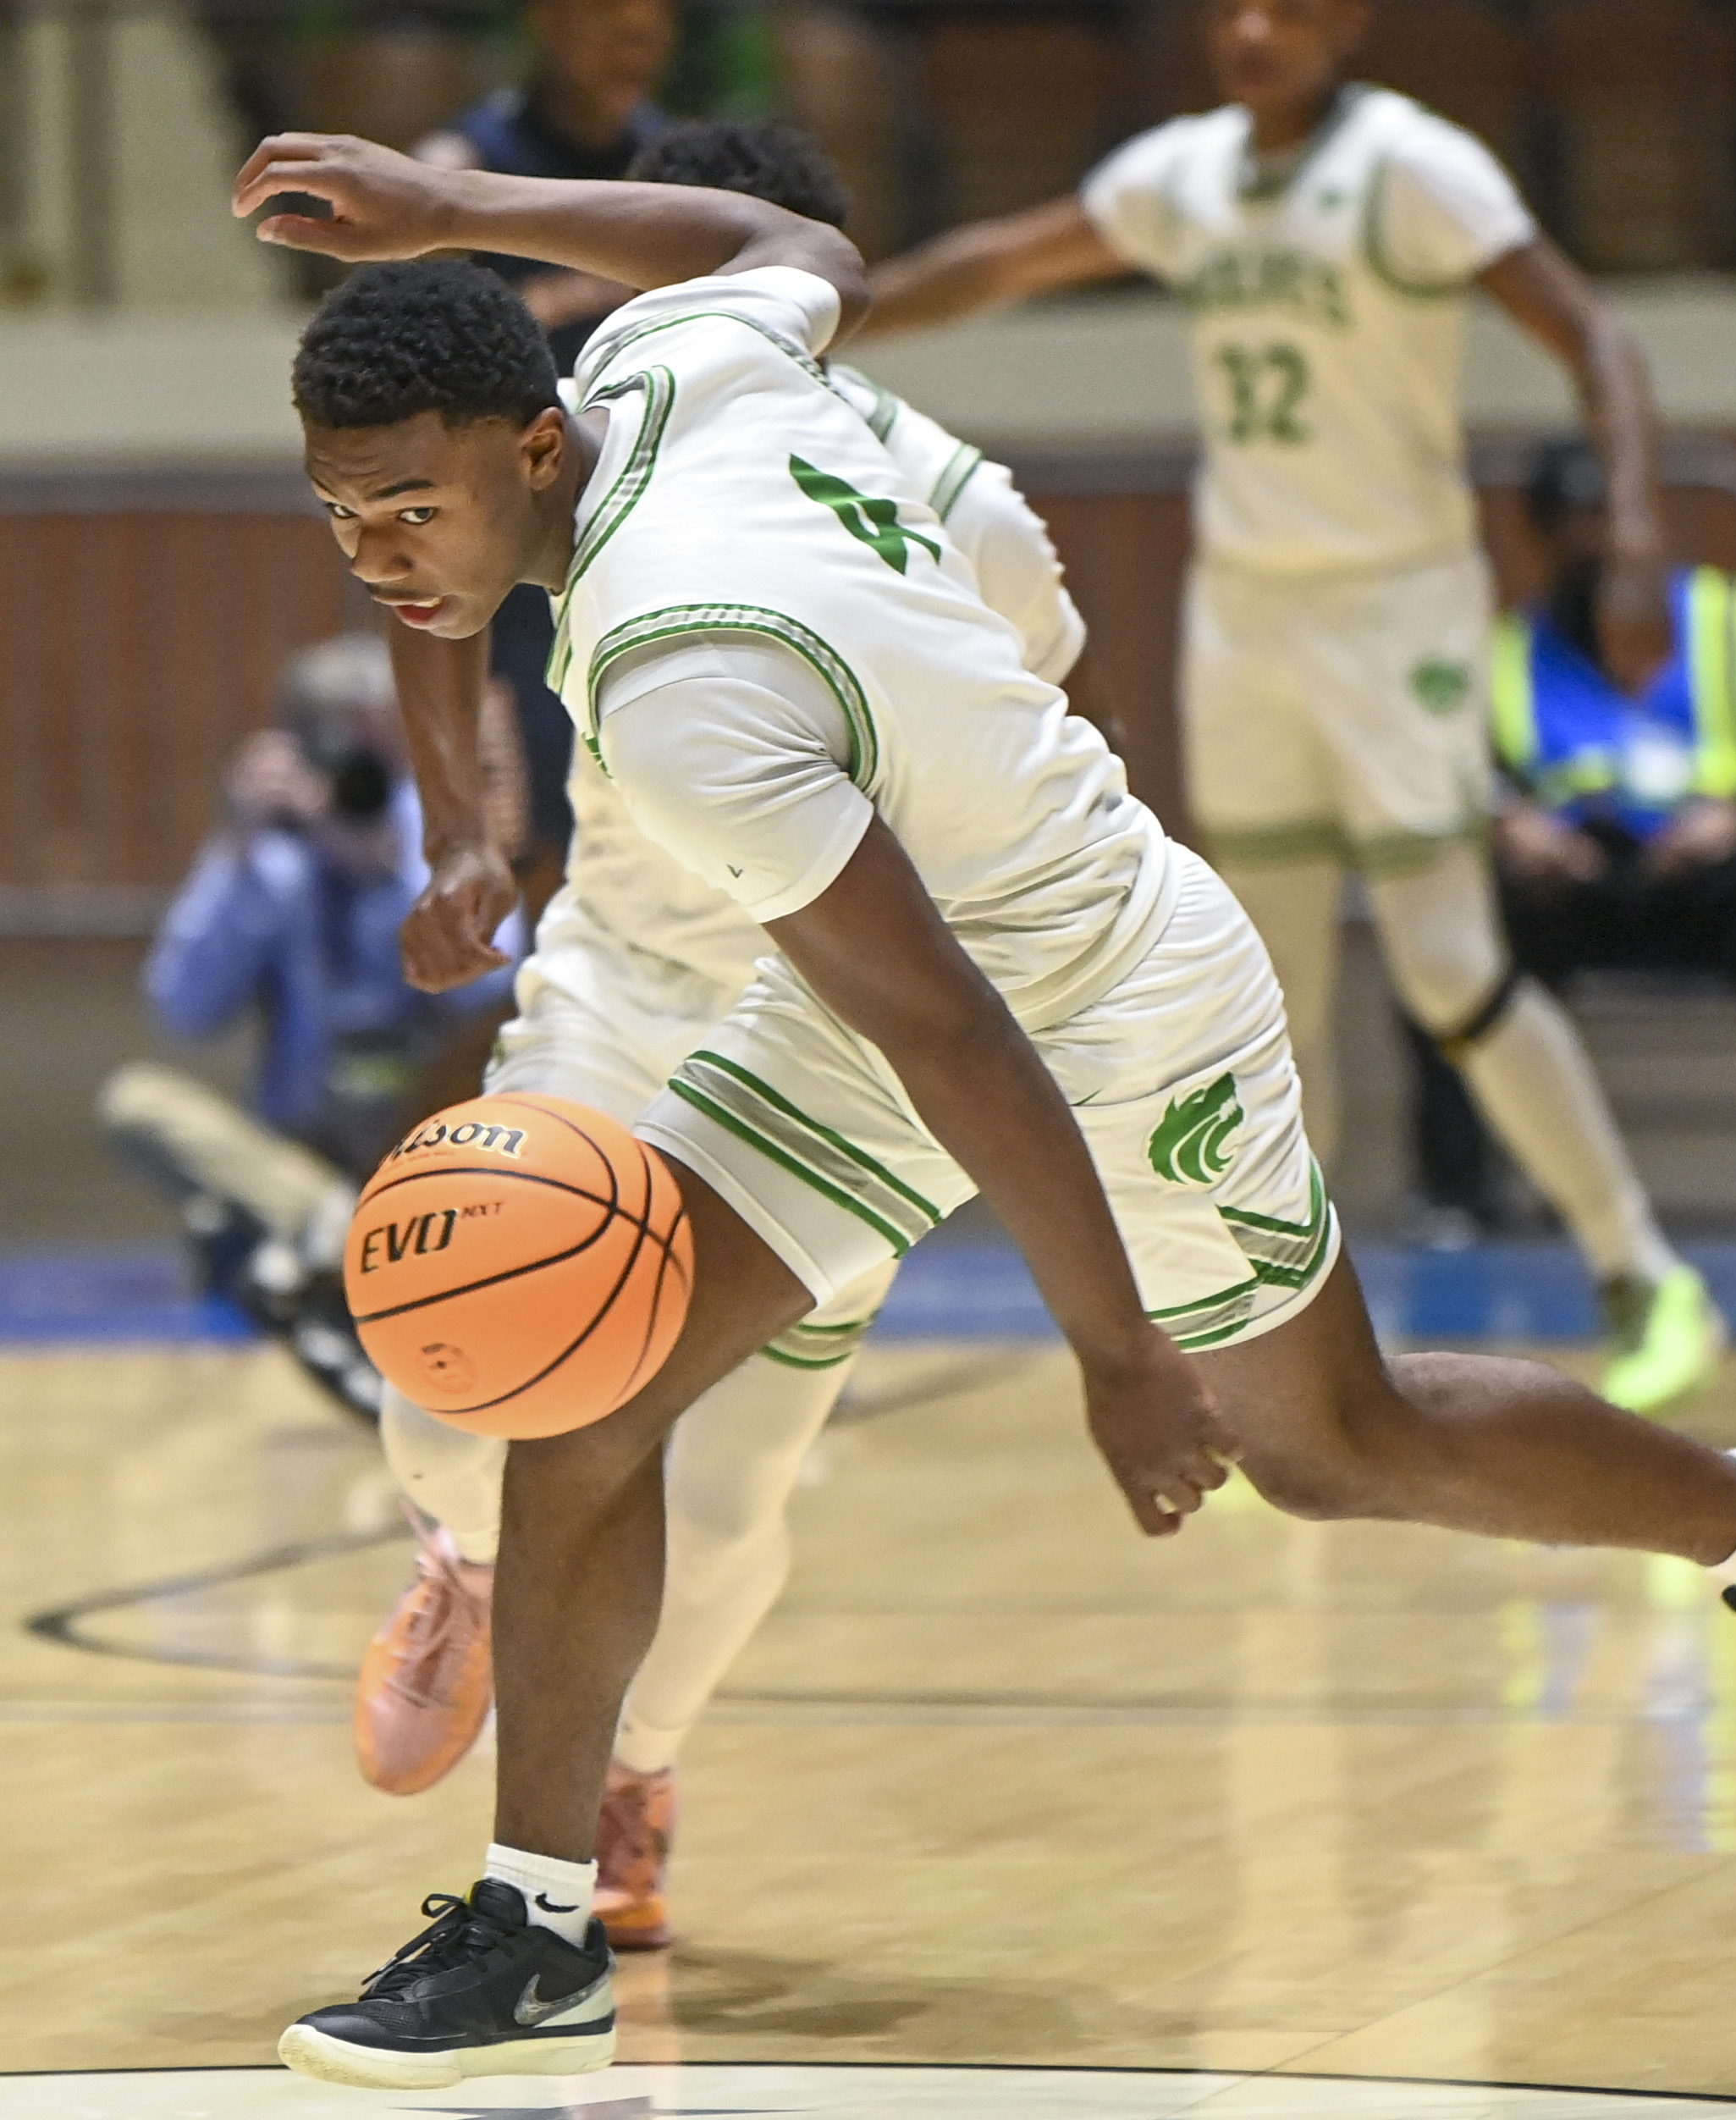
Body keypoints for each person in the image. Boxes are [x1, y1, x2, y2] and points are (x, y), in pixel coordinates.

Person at [230, 136, 1736, 2092]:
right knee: (586, 1393)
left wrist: (1112, 1347)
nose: (379, 553)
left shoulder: (676, 673)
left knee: (1327, 1440)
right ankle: (535, 1918)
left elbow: (967, 1039)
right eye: (342, 518)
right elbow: (785, 234)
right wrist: (450, 202)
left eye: (408, 507)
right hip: (879, 981)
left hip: (1102, 982)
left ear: (534, 450)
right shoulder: (669, 357)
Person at [357, 117, 1090, 1960]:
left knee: (742, 1478)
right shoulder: (593, 409)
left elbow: (1018, 780)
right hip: (621, 979)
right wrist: (470, 822)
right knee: (457, 1379)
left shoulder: (969, 514)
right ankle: (463, 1558)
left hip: (826, 1032)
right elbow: (428, 587)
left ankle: (631, 1764)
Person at [852, 0, 1726, 1414]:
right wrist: (820, 311)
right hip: (1249, 611)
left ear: (1349, 21)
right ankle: (1291, 1362)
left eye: (1291, 4)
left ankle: (1642, 1268)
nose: (1254, 28)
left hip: (1398, 609)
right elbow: (999, 260)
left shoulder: (1413, 166)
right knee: (1270, 989)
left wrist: (1633, 532)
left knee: (1450, 964)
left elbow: (1596, 337)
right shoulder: (1185, 175)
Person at [1402, 438, 1736, 1245]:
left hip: (1709, 884)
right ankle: (1457, 1195)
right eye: (1576, 522)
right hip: (1571, 891)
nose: (1601, 542)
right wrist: (1515, 826)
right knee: (1442, 922)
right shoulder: (1505, 652)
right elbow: (1461, 787)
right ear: (1541, 537)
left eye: (1611, 517)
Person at [99, 635, 523, 1417]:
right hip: (309, 1162)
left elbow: (496, 994)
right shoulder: (270, 853)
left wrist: (395, 874)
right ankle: (335, 1235)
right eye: (330, 730)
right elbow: (183, 1009)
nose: (350, 752)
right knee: (136, 1102)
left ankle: (341, 1255)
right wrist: (243, 849)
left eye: (370, 729)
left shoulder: (444, 829)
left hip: (433, 1155)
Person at [414, 0, 678, 911]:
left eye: (649, 27)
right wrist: (584, 293)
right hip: (524, 556)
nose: (631, 45)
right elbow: (419, 335)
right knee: (538, 847)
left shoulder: (673, 168)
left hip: (661, 531)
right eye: (611, 22)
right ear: (549, 23)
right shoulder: (464, 168)